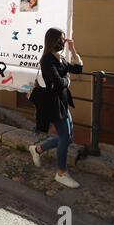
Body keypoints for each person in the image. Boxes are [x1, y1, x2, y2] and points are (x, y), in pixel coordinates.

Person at [29, 28, 83, 188]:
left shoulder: (59, 57)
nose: (63, 42)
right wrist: (68, 81)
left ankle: (37, 149)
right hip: (53, 104)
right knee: (65, 137)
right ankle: (61, 173)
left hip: (63, 102)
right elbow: (58, 82)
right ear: (53, 40)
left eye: (64, 39)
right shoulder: (46, 60)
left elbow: (78, 69)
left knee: (68, 137)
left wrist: (73, 50)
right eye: (61, 39)